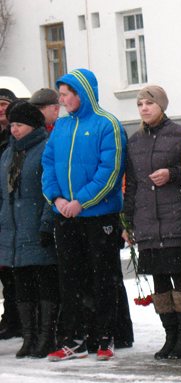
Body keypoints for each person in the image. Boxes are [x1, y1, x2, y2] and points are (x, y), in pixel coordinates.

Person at [41, 68, 128, 362]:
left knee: (102, 277)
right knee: (70, 279)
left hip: (99, 217)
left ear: (82, 94)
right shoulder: (62, 128)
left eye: (65, 94)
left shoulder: (108, 124)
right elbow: (48, 165)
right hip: (65, 216)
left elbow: (111, 171)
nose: (62, 100)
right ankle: (74, 337)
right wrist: (57, 198)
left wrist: (81, 201)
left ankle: (105, 336)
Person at [122, 86, 181, 360]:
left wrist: (173, 174)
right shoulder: (134, 141)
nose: (144, 108)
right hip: (146, 220)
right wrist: (128, 221)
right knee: (159, 280)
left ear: (162, 106)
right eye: (140, 103)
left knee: (179, 276)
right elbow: (131, 185)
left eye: (149, 103)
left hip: (175, 218)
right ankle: (171, 336)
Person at [0, 101, 58, 358]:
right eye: (12, 124)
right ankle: (29, 337)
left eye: (19, 124)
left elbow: (50, 192)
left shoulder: (45, 149)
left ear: (33, 125)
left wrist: (46, 224)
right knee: (22, 284)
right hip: (13, 229)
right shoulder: (7, 153)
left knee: (45, 282)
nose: (14, 129)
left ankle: (47, 337)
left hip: (36, 226)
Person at [0, 88, 20, 341]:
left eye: (4, 103)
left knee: (13, 270)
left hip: (11, 208)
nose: (0, 109)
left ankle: (15, 318)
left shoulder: (15, 138)